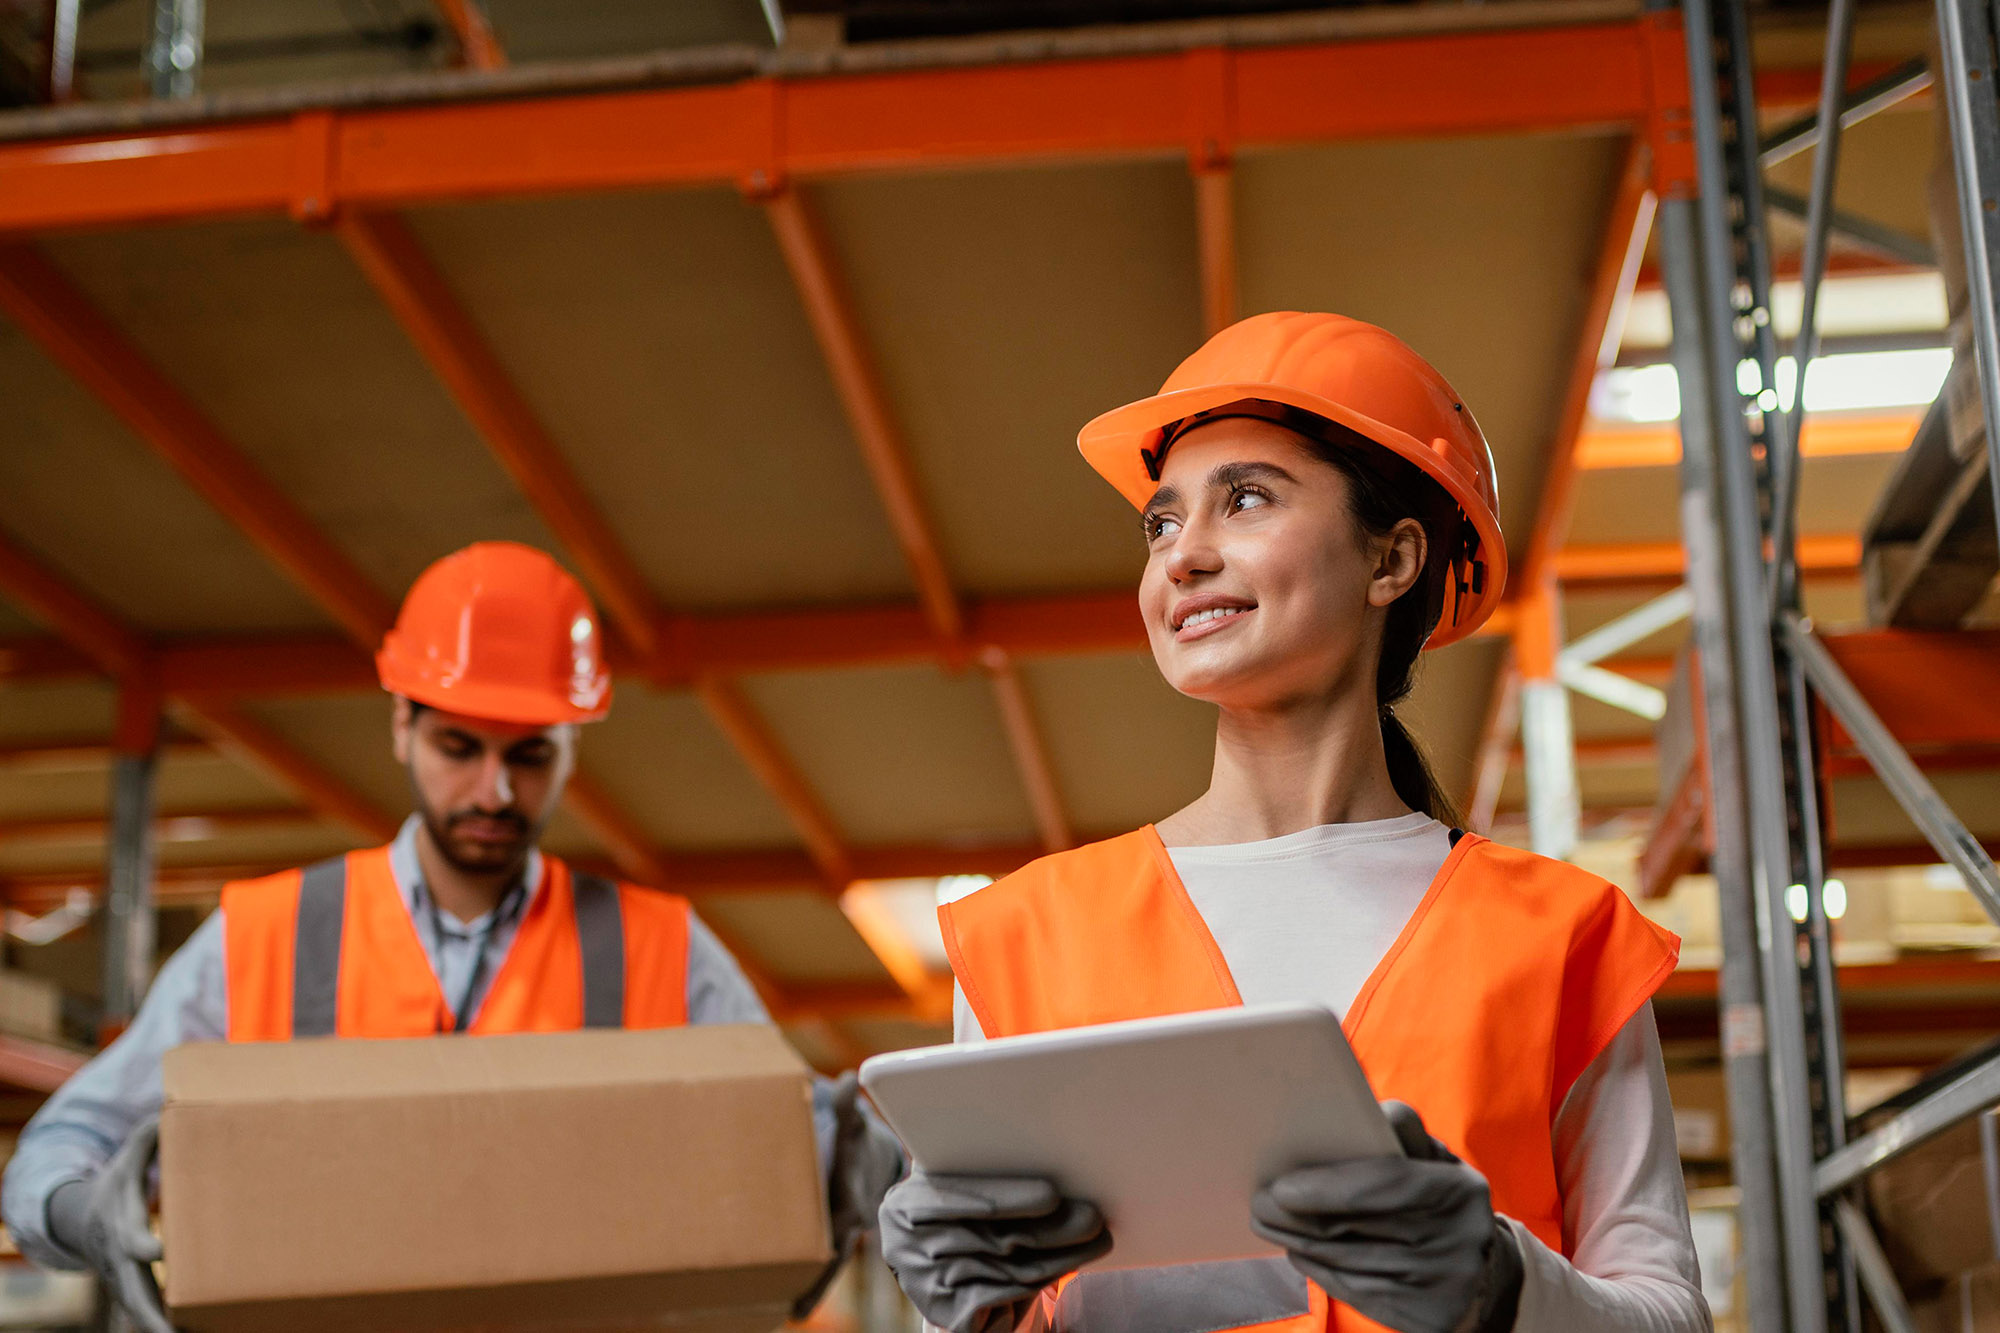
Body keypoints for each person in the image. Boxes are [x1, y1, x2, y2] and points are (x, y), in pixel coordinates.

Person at [878, 313, 1711, 1333]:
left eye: (1246, 499)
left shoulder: (1561, 939)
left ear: (1391, 559)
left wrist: (1499, 1284)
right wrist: (976, 1320)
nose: (1183, 556)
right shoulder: (1023, 937)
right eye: (1160, 524)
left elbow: (1667, 1313)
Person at [2, 541, 901, 1332]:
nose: (494, 792)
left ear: (572, 745)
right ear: (402, 726)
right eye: (460, 747)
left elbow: (800, 1137)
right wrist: (86, 1213)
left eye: (529, 755)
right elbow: (65, 1141)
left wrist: (878, 1163)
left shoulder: (659, 945)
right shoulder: (265, 934)